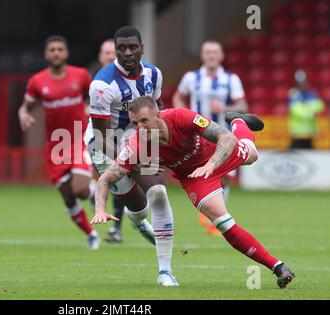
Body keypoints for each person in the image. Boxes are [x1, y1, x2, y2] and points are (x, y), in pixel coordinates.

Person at [91, 96, 295, 288]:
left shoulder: (182, 116)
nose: (140, 128)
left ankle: (238, 121)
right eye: (135, 123)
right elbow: (106, 178)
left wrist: (212, 164)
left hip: (216, 155)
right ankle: (278, 267)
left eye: (144, 121)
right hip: (194, 176)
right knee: (223, 222)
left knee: (252, 154)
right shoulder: (137, 145)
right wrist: (100, 209)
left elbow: (226, 138)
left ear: (159, 115)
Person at [86, 26, 174, 246]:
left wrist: (161, 141)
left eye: (133, 47)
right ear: (115, 51)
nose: (128, 53)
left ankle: (165, 264)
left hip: (136, 139)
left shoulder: (154, 74)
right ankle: (138, 222)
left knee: (158, 191)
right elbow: (100, 134)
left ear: (142, 49)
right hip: (104, 145)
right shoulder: (102, 85)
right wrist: (130, 163)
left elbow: (158, 108)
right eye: (122, 48)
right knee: (139, 206)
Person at [18, 35, 100, 250]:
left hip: (78, 137)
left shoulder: (81, 75)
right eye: (52, 50)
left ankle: (92, 192)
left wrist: (90, 107)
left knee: (80, 190)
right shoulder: (37, 81)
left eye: (60, 49)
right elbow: (24, 107)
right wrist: (23, 115)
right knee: (68, 196)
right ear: (47, 54)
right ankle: (91, 234)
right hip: (55, 145)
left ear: (66, 53)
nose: (56, 53)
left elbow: (94, 96)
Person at [172, 40, 248, 236]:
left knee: (226, 177)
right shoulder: (191, 77)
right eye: (208, 52)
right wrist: (187, 114)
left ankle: (216, 217)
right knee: (199, 172)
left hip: (222, 136)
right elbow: (178, 97)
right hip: (198, 136)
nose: (211, 55)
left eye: (215, 52)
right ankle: (210, 211)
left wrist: (224, 109)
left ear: (221, 56)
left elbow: (243, 107)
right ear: (202, 55)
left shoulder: (231, 79)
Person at [92, 39, 126, 244]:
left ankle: (116, 228)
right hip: (89, 135)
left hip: (117, 137)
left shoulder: (127, 79)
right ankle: (99, 216)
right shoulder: (95, 81)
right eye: (107, 53)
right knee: (87, 182)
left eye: (114, 52)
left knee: (116, 180)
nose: (111, 56)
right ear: (99, 56)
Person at [289, 69, 325, 149]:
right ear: (296, 83)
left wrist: (305, 108)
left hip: (309, 137)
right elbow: (300, 113)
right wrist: (311, 110)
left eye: (304, 82)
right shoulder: (293, 94)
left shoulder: (312, 93)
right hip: (297, 137)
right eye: (300, 82)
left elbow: (320, 106)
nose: (302, 84)